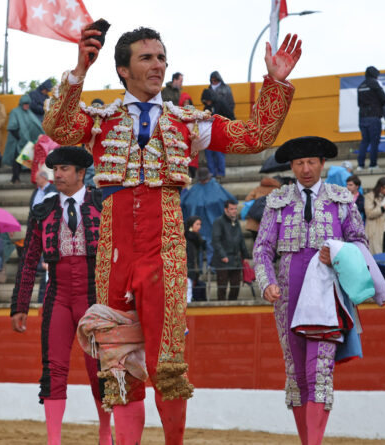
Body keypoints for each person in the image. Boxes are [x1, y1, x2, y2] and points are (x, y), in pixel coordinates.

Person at [43, 25, 301, 443]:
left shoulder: (189, 122)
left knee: (168, 362)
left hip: (165, 250)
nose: (159, 65)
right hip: (114, 249)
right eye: (147, 58)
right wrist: (79, 70)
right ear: (123, 69)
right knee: (120, 361)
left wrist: (277, 82)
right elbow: (58, 126)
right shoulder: (100, 120)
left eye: (162, 57)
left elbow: (256, 136)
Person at [253, 136, 383, 445]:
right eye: (299, 163)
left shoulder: (341, 199)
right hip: (288, 295)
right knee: (297, 376)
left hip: (327, 294)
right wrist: (266, 282)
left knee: (319, 374)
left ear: (322, 164)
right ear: (292, 166)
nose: (306, 169)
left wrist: (338, 253)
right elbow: (262, 250)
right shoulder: (277, 201)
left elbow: (360, 243)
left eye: (311, 162)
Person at [10, 147, 112, 445]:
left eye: (65, 169)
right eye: (55, 170)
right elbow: (28, 261)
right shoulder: (43, 210)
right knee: (54, 368)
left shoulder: (102, 203)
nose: (57, 174)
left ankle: (105, 434)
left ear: (81, 173)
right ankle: (53, 440)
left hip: (95, 295)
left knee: (99, 370)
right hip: (57, 295)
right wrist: (20, 305)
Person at [180, 167, 236, 264]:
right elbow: (229, 200)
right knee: (201, 248)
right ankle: (203, 269)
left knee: (209, 246)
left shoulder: (197, 189)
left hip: (207, 225)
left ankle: (210, 267)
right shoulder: (213, 187)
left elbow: (184, 203)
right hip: (204, 226)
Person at [211, 199, 249, 301]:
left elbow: (240, 239)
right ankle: (220, 310)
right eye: (231, 209)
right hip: (223, 261)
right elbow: (216, 241)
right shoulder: (218, 222)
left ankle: (233, 306)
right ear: (225, 209)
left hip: (236, 260)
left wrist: (245, 255)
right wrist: (223, 255)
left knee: (236, 286)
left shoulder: (235, 221)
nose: (234, 211)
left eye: (235, 209)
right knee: (222, 287)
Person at [2, 94, 44, 183]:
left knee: (26, 158)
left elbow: (36, 125)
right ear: (21, 103)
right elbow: (12, 127)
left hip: (27, 141)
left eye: (28, 104)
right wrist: (20, 138)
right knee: (17, 159)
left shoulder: (29, 112)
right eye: (25, 104)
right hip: (16, 140)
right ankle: (15, 178)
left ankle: (27, 177)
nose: (26, 105)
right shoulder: (15, 111)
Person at [205, 70, 236, 180]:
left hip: (222, 123)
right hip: (212, 125)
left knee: (219, 150)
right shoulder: (209, 90)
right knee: (211, 149)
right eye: (212, 80)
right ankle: (214, 172)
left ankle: (220, 172)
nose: (214, 82)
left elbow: (231, 105)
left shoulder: (226, 89)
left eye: (215, 80)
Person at [356, 66, 385, 171]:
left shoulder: (360, 86)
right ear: (374, 74)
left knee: (364, 141)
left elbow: (359, 103)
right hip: (374, 117)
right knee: (374, 142)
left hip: (362, 118)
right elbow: (384, 99)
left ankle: (360, 165)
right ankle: (372, 164)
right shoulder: (374, 83)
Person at [364, 177, 385, 255]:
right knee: (376, 254)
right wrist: (383, 208)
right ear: (380, 187)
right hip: (375, 229)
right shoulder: (369, 196)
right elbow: (369, 213)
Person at [184, 216, 206, 302]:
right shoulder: (187, 239)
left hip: (194, 269)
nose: (199, 226)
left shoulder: (197, 238)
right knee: (187, 291)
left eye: (200, 224)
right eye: (197, 224)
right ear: (191, 226)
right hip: (188, 269)